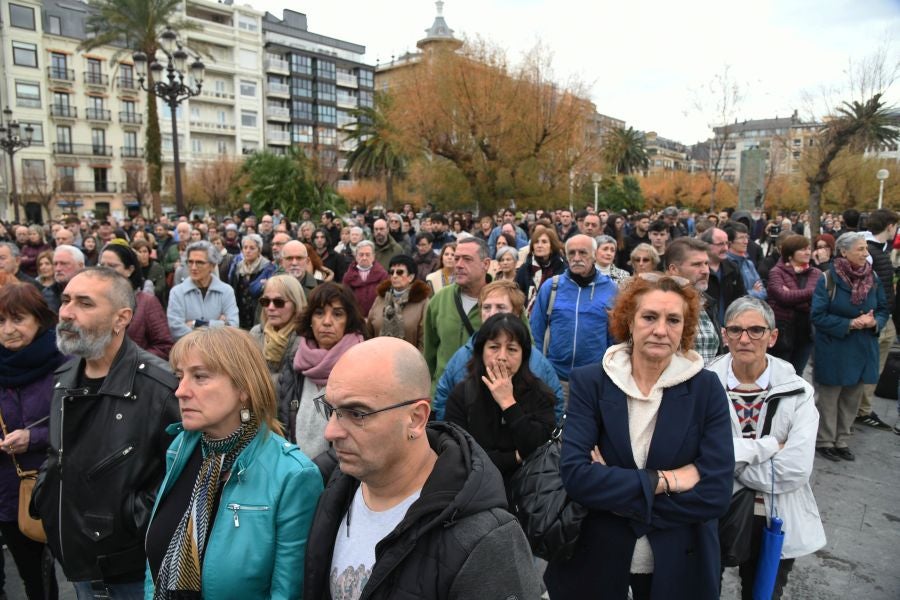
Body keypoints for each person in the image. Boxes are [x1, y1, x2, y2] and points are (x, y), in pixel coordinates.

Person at [302, 337, 542, 599]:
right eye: (331, 409)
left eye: (357, 413)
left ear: (416, 419)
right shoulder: (330, 487)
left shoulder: (487, 540)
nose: (331, 431)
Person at [545, 273, 734, 600]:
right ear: (628, 322)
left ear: (685, 329)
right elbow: (576, 476)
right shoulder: (592, 382)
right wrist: (666, 481)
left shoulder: (706, 388)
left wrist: (614, 494)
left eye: (673, 320)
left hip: (678, 564)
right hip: (596, 562)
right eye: (649, 317)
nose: (661, 330)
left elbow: (715, 493)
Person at [32, 267, 181, 598]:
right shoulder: (64, 376)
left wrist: (127, 519)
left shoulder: (160, 388)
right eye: (66, 300)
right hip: (75, 559)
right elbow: (59, 454)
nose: (67, 313)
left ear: (121, 318)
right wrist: (46, 496)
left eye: (85, 304)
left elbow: (183, 478)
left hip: (130, 571)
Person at [144, 327, 323, 598]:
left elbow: (287, 592)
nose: (181, 391)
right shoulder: (180, 448)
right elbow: (154, 565)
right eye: (180, 377)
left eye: (200, 377)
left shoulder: (292, 476)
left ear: (243, 388)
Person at [709, 297, 826, 600]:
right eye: (735, 330)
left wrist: (732, 460)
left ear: (772, 337)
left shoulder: (797, 390)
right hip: (715, 510)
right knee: (704, 588)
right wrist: (772, 445)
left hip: (775, 516)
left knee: (763, 594)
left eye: (756, 330)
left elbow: (795, 469)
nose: (744, 338)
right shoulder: (704, 385)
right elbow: (704, 453)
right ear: (724, 336)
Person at [445, 313, 556, 499]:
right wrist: (513, 458)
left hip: (529, 495)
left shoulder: (539, 393)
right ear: (481, 351)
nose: (502, 357)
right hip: (475, 494)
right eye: (494, 347)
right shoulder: (462, 394)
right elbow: (459, 456)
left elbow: (539, 449)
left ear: (524, 355)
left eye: (512, 349)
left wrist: (508, 403)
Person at [0, 284, 61, 600]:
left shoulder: (65, 363)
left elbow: (82, 423)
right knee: (34, 580)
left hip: (58, 486)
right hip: (10, 492)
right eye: (0, 322)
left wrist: (34, 437)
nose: (8, 331)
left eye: (17, 319)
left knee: (83, 577)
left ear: (39, 320)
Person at [433, 279, 565, 421]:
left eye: (500, 307)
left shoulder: (536, 362)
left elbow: (554, 405)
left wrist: (541, 436)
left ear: (516, 314)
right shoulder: (462, 357)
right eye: (487, 307)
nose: (492, 313)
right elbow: (442, 399)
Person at [811, 232, 890, 461]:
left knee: (852, 397)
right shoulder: (828, 279)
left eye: (865, 248)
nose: (865, 253)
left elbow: (884, 308)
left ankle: (842, 440)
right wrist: (850, 323)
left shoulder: (872, 277)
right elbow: (818, 315)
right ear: (844, 252)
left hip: (862, 348)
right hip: (835, 348)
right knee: (829, 397)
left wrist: (875, 322)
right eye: (860, 249)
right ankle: (825, 440)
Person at [277, 282, 366, 459]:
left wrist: (318, 470)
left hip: (341, 474)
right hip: (296, 469)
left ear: (348, 321)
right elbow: (282, 423)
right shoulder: (295, 363)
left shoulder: (361, 365)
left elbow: (360, 435)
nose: (326, 322)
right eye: (319, 313)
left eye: (337, 314)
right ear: (310, 320)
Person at [530, 234, 618, 390]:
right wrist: (540, 369)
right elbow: (536, 331)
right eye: (572, 253)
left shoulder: (611, 290)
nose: (577, 258)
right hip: (555, 379)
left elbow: (615, 337)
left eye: (583, 252)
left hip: (594, 381)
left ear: (594, 255)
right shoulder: (551, 287)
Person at [424, 238, 492, 394]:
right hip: (442, 399)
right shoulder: (439, 300)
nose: (459, 265)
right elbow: (429, 354)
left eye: (467, 259)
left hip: (485, 399)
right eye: (456, 258)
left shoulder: (504, 301)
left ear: (486, 264)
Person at [856, 209, 898, 431]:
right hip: (873, 317)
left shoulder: (879, 249)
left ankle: (863, 408)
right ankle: (857, 410)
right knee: (868, 366)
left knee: (875, 368)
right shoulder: (868, 251)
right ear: (890, 225)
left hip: (883, 316)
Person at [99, 242, 173, 360]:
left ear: (129, 270)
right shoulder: (94, 300)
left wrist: (132, 360)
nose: (105, 271)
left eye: (112, 266)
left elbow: (164, 346)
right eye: (102, 265)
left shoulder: (146, 302)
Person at [766, 234, 820, 376]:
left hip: (805, 333)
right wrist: (810, 293)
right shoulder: (776, 272)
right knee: (779, 374)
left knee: (797, 374)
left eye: (809, 248)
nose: (808, 252)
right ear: (790, 253)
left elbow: (818, 299)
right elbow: (783, 297)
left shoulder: (815, 273)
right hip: (783, 333)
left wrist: (793, 295)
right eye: (803, 249)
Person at [666, 238, 723, 366]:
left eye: (706, 263)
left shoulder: (707, 302)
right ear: (674, 269)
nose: (706, 271)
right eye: (697, 264)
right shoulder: (661, 304)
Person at [167, 241, 239, 341]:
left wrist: (194, 324)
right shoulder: (177, 292)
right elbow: (176, 330)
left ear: (212, 265)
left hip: (217, 352)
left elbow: (233, 326)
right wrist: (218, 324)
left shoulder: (226, 291)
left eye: (200, 262)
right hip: (188, 352)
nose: (193, 267)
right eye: (190, 262)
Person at [249, 275, 307, 387]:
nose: (270, 307)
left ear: (296, 304)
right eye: (265, 301)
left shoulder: (305, 340)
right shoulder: (255, 333)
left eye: (278, 302)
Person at [366, 255, 431, 349]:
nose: (394, 276)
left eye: (400, 272)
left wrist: (417, 362)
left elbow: (425, 339)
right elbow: (369, 332)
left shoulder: (422, 302)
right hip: (379, 357)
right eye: (392, 272)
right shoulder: (380, 299)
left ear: (411, 277)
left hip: (409, 360)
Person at [228, 234, 276, 330]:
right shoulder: (237, 267)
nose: (248, 251)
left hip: (258, 312)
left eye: (252, 248)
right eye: (245, 248)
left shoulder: (268, 268)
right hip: (240, 312)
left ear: (259, 250)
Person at [702, 227, 747, 325]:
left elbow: (741, 298)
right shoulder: (699, 270)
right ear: (706, 245)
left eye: (727, 243)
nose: (726, 248)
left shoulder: (733, 268)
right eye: (720, 244)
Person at [341, 241, 388, 316]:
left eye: (367, 255)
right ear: (356, 256)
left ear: (373, 256)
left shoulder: (383, 275)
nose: (364, 258)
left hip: (376, 317)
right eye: (361, 255)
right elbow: (344, 298)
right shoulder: (348, 276)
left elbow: (385, 299)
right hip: (355, 317)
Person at [725, 223, 766, 300]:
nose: (746, 241)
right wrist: (753, 292)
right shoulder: (725, 264)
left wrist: (749, 293)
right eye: (741, 238)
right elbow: (734, 297)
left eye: (746, 237)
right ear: (730, 242)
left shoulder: (749, 264)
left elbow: (763, 292)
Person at [132, 239, 166, 306]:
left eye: (145, 251)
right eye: (139, 252)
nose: (142, 254)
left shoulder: (157, 267)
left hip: (154, 301)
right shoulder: (132, 268)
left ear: (149, 253)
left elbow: (161, 286)